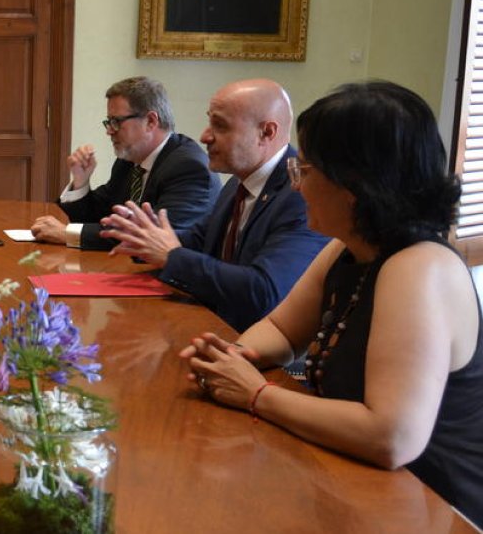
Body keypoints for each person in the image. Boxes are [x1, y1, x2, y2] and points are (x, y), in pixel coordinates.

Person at [179, 81, 483, 525]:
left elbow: (392, 437)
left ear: (354, 185)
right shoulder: (348, 249)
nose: (297, 186)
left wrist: (256, 393)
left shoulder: (419, 269)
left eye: (305, 171)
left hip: (426, 506)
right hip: (351, 480)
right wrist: (233, 358)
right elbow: (282, 331)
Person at [100, 78, 327, 331]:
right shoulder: (237, 184)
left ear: (267, 132)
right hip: (213, 327)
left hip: (262, 351)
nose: (205, 136)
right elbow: (200, 241)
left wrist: (171, 256)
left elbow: (263, 291)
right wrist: (146, 237)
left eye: (219, 126)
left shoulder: (301, 194)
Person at [31, 76, 218, 249]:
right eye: (108, 122)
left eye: (116, 122)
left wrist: (67, 234)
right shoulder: (129, 161)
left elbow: (150, 237)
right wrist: (81, 181)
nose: (110, 131)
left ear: (151, 121)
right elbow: (98, 215)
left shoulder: (189, 168)